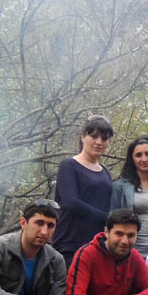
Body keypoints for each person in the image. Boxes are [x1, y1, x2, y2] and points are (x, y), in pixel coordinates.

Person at [53, 115, 115, 269]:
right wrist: (106, 218)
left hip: (99, 243)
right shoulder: (69, 165)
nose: (99, 142)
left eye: (104, 138)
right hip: (70, 242)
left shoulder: (105, 171)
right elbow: (70, 202)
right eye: (94, 136)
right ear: (83, 137)